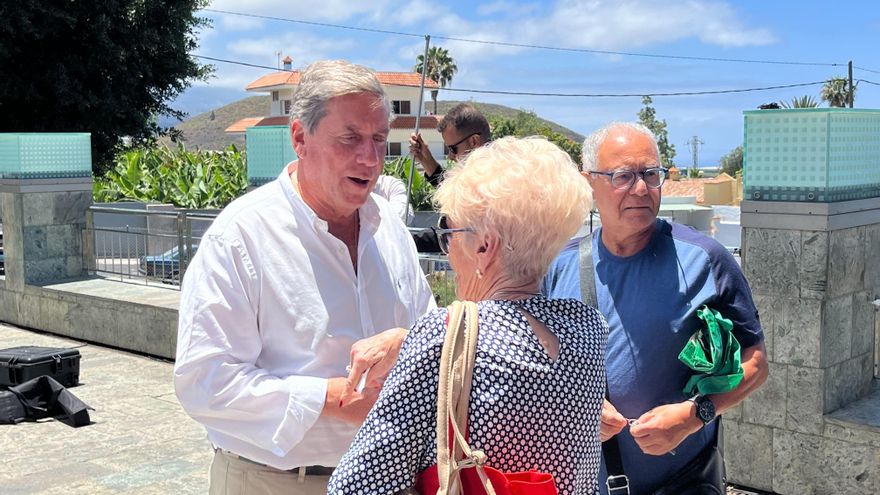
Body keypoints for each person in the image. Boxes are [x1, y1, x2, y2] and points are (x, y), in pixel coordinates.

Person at [173, 60, 436, 495]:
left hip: (391, 479)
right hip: (276, 482)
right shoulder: (241, 236)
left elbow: (428, 334)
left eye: (377, 139)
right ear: (300, 138)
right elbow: (204, 383)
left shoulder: (388, 225)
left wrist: (408, 341)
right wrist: (330, 400)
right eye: (349, 138)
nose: (370, 159)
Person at [328, 136, 608, 495]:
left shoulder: (442, 336)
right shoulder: (586, 329)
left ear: (484, 247)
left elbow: (355, 487)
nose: (448, 249)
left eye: (451, 234)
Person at [542, 122, 769, 495]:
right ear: (588, 183)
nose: (641, 189)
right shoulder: (557, 268)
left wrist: (694, 416)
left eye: (650, 174)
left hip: (682, 484)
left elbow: (755, 363)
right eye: (623, 176)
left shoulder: (705, 260)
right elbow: (537, 368)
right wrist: (574, 406)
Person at [409, 102, 491, 186]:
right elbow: (450, 188)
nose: (450, 157)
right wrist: (425, 160)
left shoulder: (498, 185)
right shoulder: (486, 178)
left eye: (453, 149)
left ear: (474, 141)